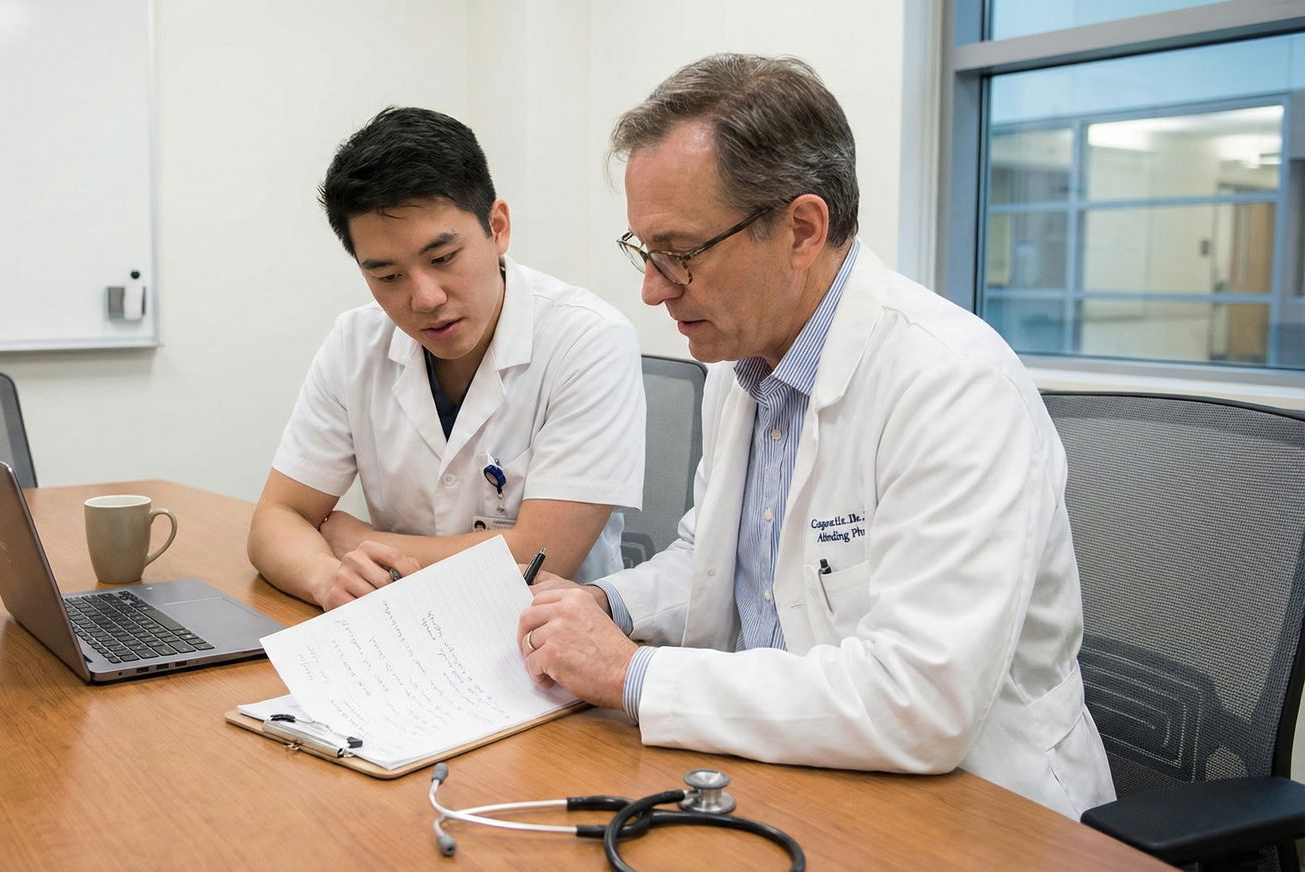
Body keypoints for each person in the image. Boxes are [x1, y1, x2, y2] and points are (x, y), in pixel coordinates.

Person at [515, 54, 1114, 818]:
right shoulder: (743, 360)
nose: (653, 288)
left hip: (977, 810)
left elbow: (920, 703)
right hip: (790, 772)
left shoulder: (952, 385)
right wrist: (603, 606)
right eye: (644, 251)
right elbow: (713, 559)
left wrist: (633, 676)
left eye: (680, 254)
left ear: (802, 228)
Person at [248, 107, 645, 611]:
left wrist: (358, 542)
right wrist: (330, 580)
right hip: (401, 633)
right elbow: (276, 518)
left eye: (442, 259)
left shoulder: (588, 340)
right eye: (388, 276)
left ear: (497, 227)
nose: (425, 298)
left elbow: (539, 561)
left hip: (542, 646)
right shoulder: (355, 341)